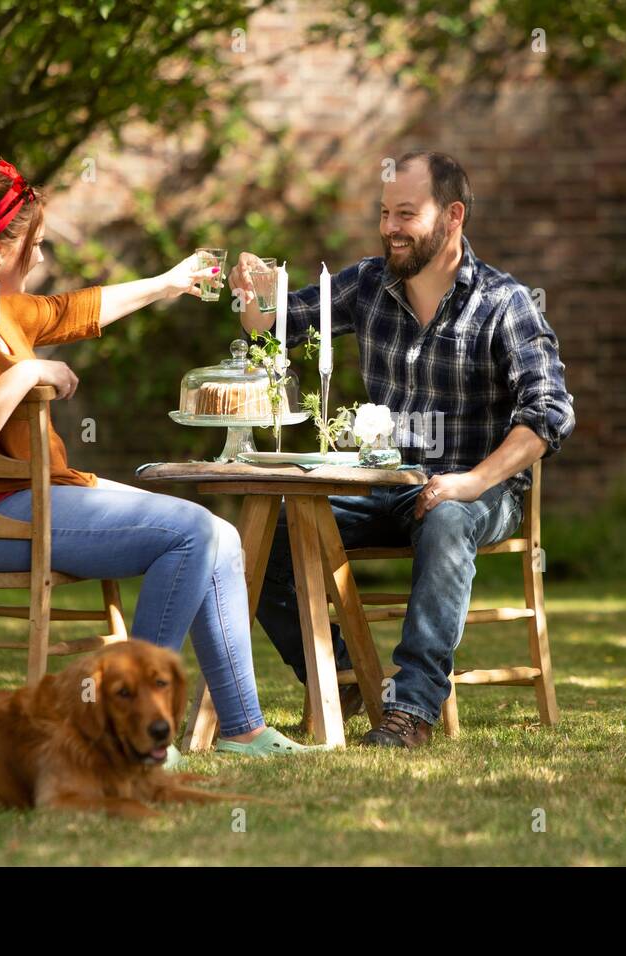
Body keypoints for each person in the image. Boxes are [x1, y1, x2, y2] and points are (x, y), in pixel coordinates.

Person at [0, 146, 320, 758]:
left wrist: (168, 283)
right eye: (34, 244)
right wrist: (26, 373)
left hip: (30, 497)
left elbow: (73, 310)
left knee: (219, 536)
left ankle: (242, 728)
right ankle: (126, 730)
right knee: (191, 534)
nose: (40, 256)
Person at [231, 149, 575, 749]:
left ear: (453, 216)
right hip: (383, 487)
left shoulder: (504, 302)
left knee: (445, 517)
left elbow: (549, 416)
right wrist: (251, 294)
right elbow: (273, 324)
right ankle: (340, 677)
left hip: (476, 495)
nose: (390, 227)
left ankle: (411, 709)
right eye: (384, 212)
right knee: (266, 534)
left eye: (406, 213)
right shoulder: (368, 283)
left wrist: (471, 481)